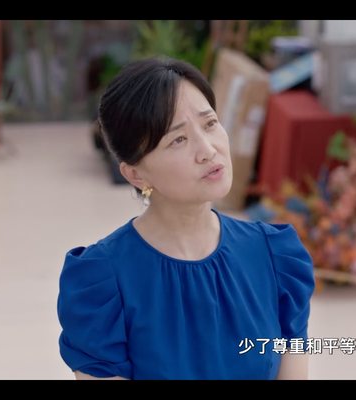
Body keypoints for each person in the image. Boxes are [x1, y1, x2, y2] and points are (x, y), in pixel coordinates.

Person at [57, 58, 315, 380]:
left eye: (210, 124)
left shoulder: (276, 257)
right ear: (135, 174)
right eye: (178, 139)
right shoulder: (101, 282)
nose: (208, 149)